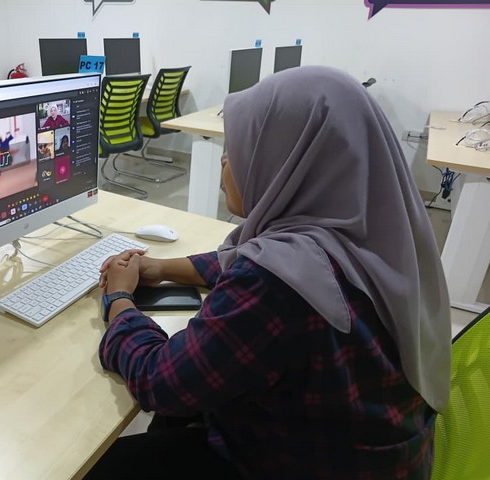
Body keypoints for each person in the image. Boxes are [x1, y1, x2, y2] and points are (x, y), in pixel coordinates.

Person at [86, 66, 452, 479]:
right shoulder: (378, 234)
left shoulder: (276, 282)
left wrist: (119, 300)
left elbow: (161, 380)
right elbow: (246, 260)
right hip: (383, 456)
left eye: (244, 147)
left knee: (99, 464)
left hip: (300, 464)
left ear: (290, 159)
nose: (225, 159)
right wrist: (162, 267)